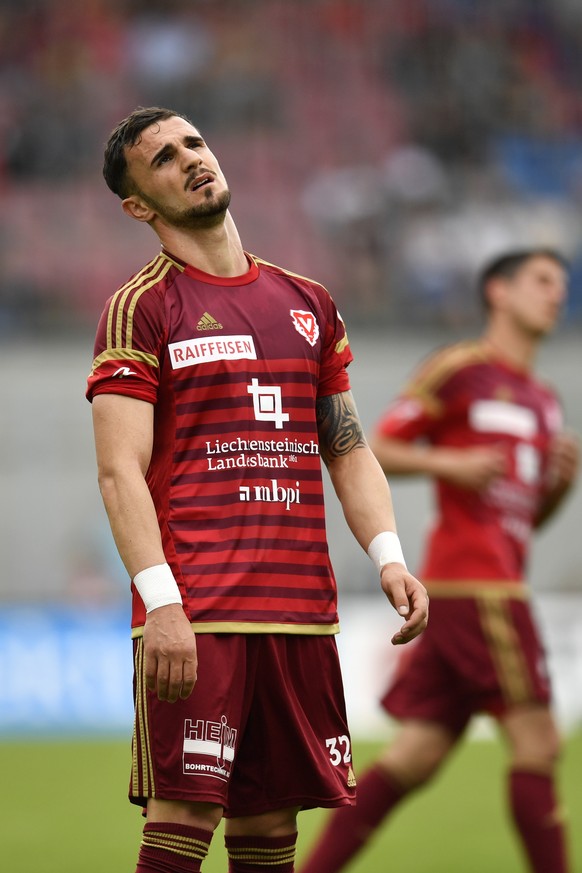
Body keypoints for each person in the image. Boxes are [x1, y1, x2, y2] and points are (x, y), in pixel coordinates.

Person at [85, 106, 428, 873]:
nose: (192, 160)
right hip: (200, 612)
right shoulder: (142, 307)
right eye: (165, 159)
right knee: (184, 815)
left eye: (195, 143)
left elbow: (347, 446)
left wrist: (390, 556)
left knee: (271, 826)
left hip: (301, 614)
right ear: (138, 205)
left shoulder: (309, 303)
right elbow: (118, 472)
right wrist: (161, 600)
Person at [299, 248, 580, 873]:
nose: (556, 295)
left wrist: (559, 486)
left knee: (416, 755)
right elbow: (380, 445)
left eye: (561, 285)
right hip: (479, 588)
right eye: (541, 281)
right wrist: (448, 463)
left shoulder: (544, 400)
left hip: (486, 583)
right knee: (539, 740)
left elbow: (525, 520)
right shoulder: (461, 369)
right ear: (498, 293)